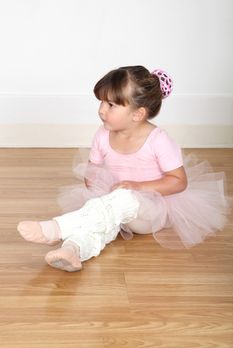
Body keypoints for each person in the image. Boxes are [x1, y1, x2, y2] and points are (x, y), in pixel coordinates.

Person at [17, 65, 230, 272]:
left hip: (153, 208)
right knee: (102, 218)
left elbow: (179, 181)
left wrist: (138, 186)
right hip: (114, 199)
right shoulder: (102, 135)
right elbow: (92, 171)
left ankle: (56, 228)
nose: (101, 110)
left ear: (137, 114)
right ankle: (72, 250)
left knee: (122, 200)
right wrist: (95, 186)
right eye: (101, 102)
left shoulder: (158, 140)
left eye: (111, 105)